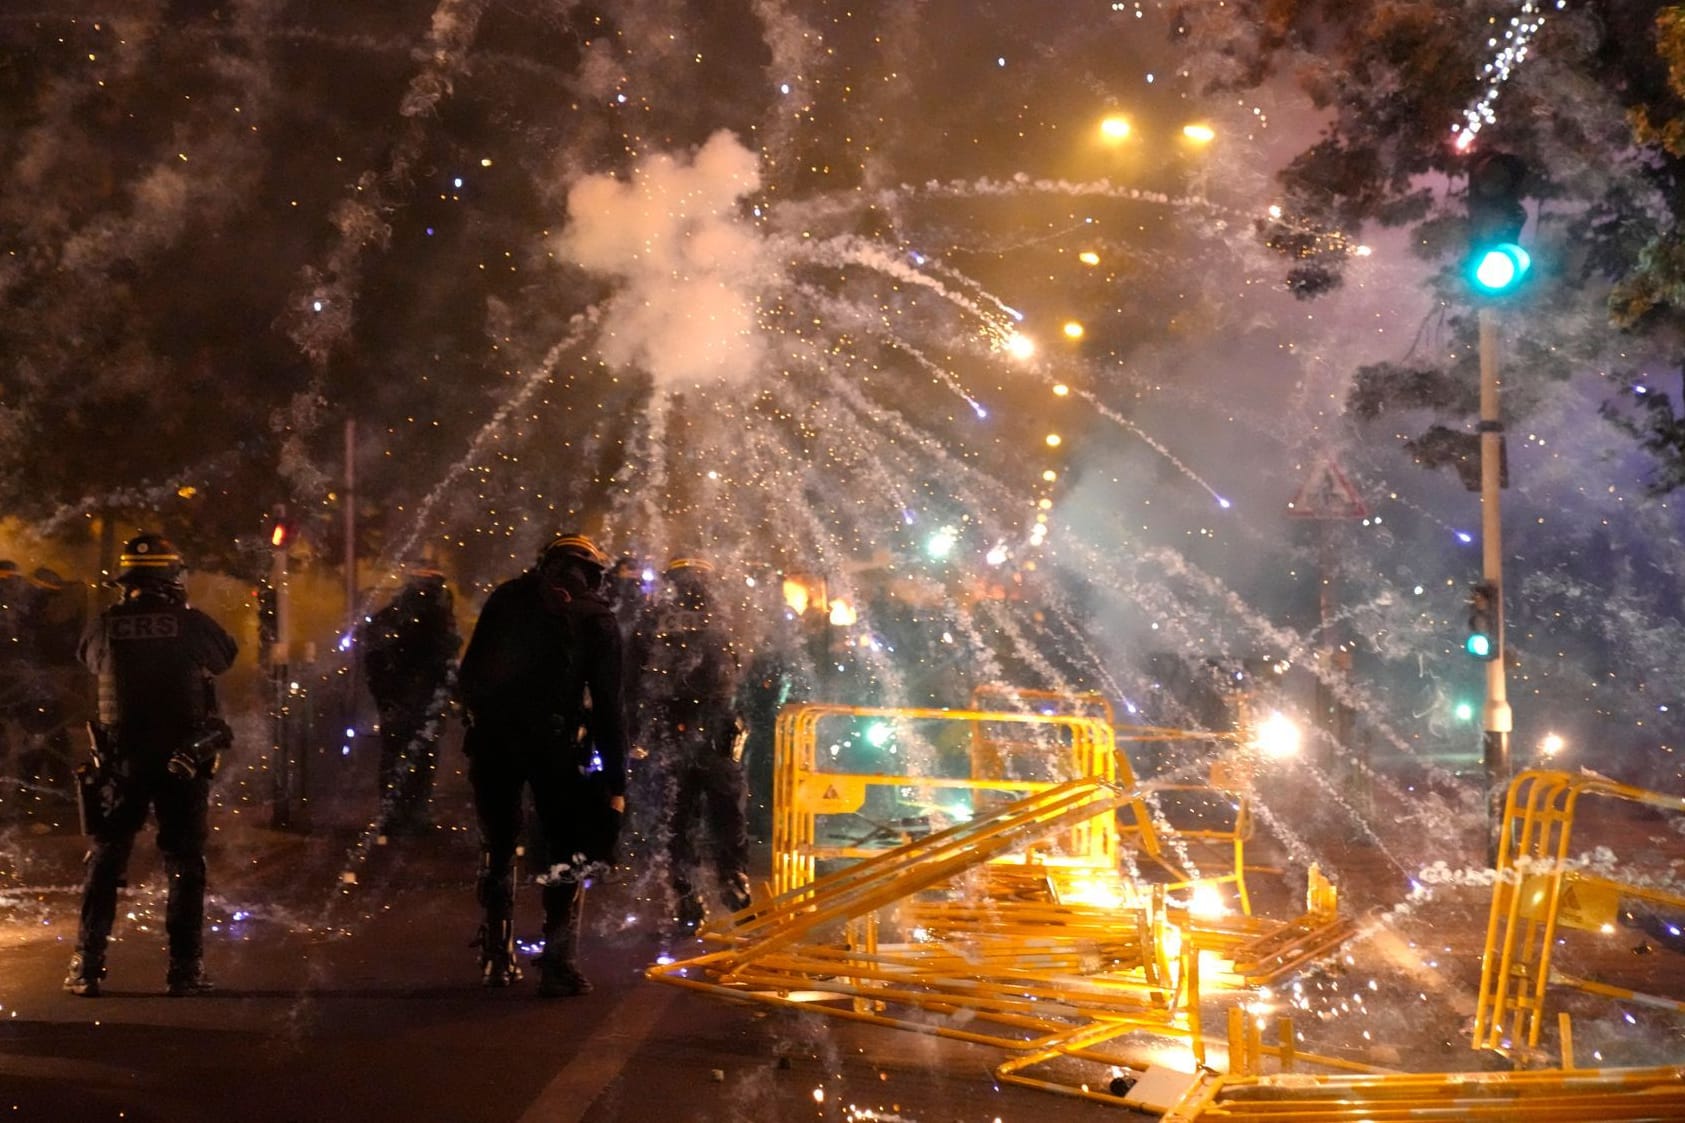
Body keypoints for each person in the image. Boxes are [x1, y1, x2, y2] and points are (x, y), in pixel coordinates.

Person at [64, 534, 237, 998]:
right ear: (170, 579)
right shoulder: (191, 623)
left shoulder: (105, 625)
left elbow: (87, 661)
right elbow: (226, 656)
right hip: (183, 759)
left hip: (123, 762)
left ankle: (86, 965)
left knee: (106, 859)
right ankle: (184, 970)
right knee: (183, 862)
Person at [456, 533, 629, 995]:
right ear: (593, 573)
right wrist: (617, 784)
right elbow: (611, 709)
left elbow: (468, 676)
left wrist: (482, 720)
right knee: (564, 852)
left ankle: (497, 954)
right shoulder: (596, 618)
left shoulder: (507, 598)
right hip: (555, 747)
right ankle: (557, 965)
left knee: (498, 843)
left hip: (494, 742)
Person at [632, 556, 751, 936]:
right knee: (723, 808)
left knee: (677, 816)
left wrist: (638, 730)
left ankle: (690, 893)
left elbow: (634, 677)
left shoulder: (656, 617)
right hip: (710, 728)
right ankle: (729, 874)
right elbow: (738, 672)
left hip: (676, 729)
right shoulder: (722, 617)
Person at [359, 567, 461, 835]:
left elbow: (373, 654)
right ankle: (410, 814)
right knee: (419, 757)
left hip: (406, 698)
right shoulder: (430, 618)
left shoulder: (394, 616)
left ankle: (397, 814)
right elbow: (444, 657)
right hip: (418, 698)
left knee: (399, 756)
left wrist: (384, 694)